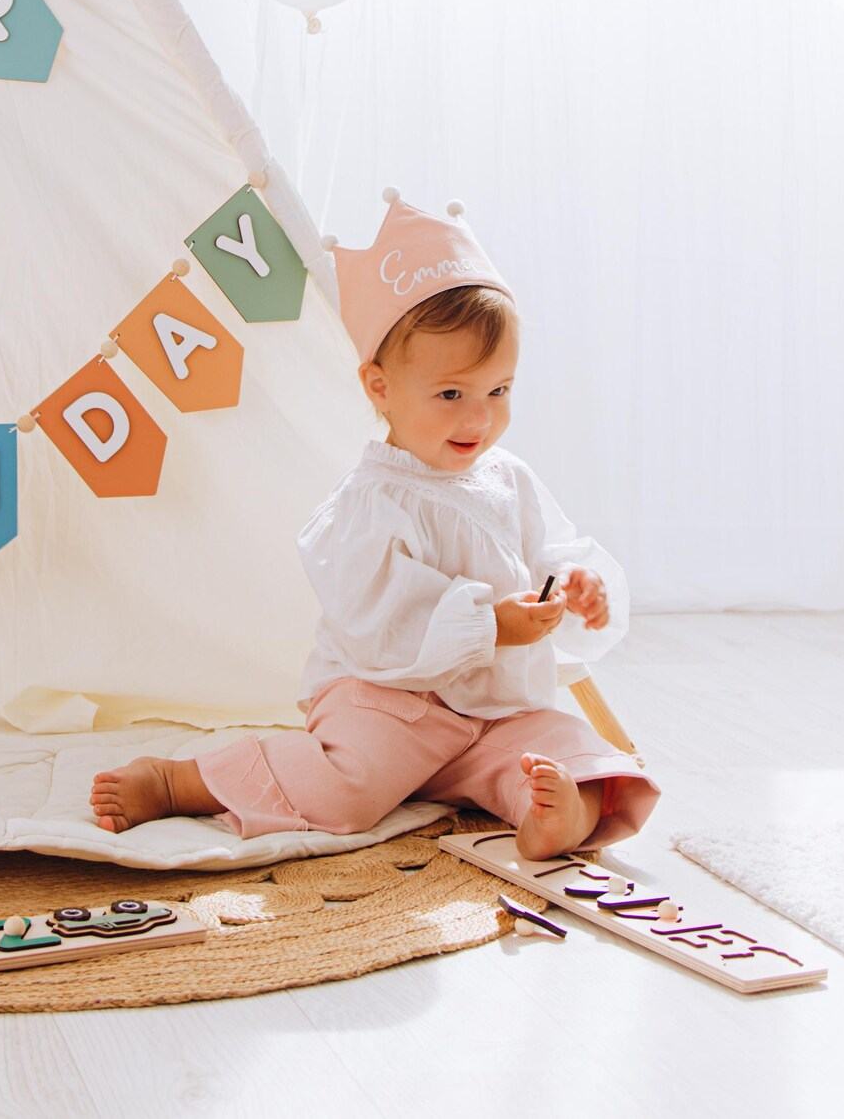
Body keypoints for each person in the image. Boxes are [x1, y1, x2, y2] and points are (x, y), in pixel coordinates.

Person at [90, 193, 658, 858]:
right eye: (451, 394)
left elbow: (551, 557)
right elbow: (375, 617)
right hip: (392, 707)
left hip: (497, 713)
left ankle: (556, 817)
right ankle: (186, 781)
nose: (478, 418)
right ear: (380, 387)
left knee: (569, 748)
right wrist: (489, 624)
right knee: (346, 792)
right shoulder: (373, 499)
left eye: (498, 391)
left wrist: (578, 590)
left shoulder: (512, 481)